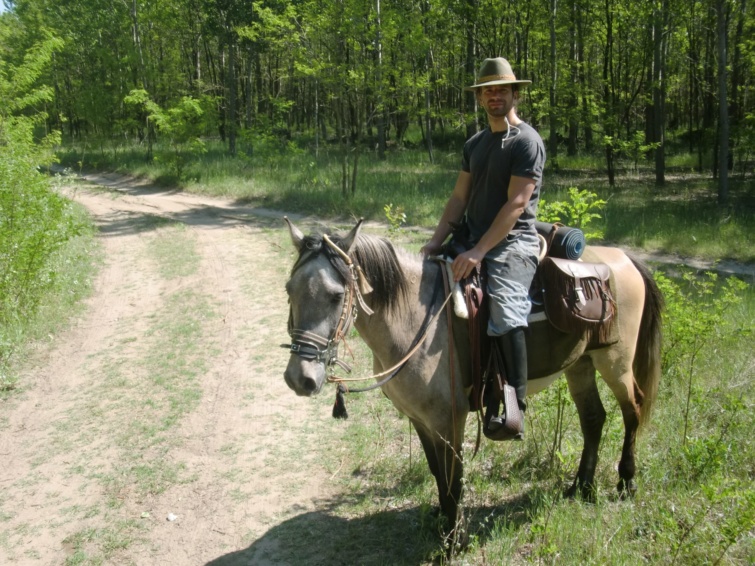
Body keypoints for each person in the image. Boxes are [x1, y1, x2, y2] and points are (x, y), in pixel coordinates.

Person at [420, 57, 545, 440]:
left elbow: (516, 204)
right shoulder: (474, 144)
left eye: (502, 90)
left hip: (513, 242)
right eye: (488, 91)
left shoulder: (526, 141)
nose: (495, 96)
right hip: (471, 238)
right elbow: (459, 198)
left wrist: (478, 253)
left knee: (505, 308)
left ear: (515, 94)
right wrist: (436, 242)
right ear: (479, 98)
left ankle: (514, 405)